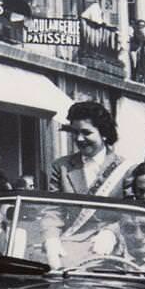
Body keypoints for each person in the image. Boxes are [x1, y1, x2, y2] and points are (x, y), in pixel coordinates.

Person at [43, 101, 134, 267]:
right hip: (71, 244)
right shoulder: (61, 167)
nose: (79, 139)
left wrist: (112, 232)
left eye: (86, 133)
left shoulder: (126, 169)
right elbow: (53, 210)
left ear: (104, 133)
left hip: (112, 247)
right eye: (75, 132)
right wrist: (51, 238)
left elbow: (132, 214)